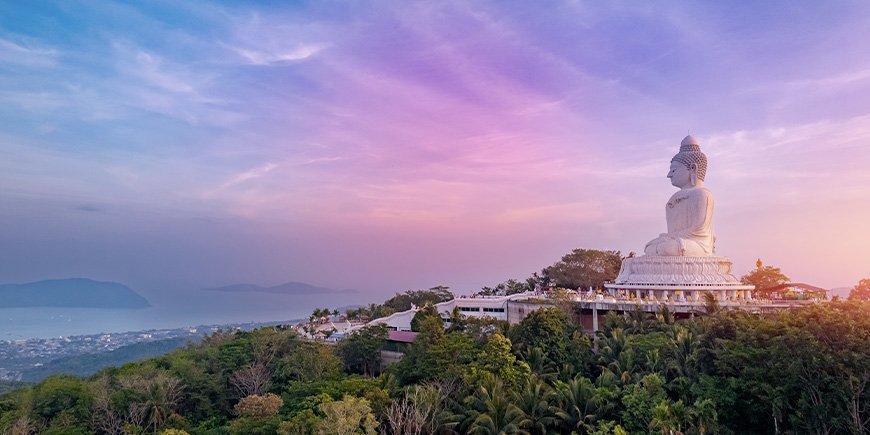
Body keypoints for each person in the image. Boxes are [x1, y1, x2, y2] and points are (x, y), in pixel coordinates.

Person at [644, 135, 715, 256]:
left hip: (698, 244)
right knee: (650, 248)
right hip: (676, 242)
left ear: (693, 168)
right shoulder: (672, 199)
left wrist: (668, 238)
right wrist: (666, 238)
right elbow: (673, 232)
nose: (669, 175)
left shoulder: (702, 194)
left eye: (673, 170)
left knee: (667, 249)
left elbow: (698, 230)